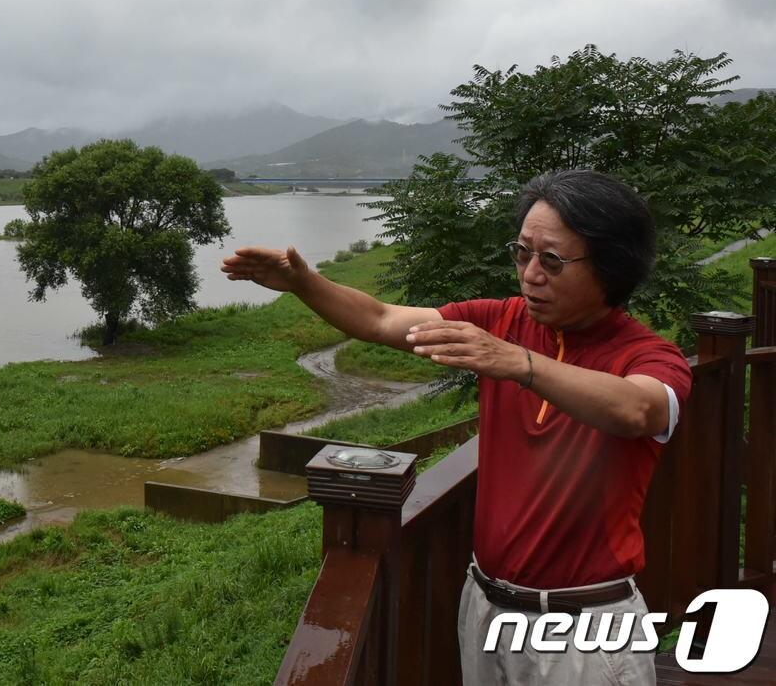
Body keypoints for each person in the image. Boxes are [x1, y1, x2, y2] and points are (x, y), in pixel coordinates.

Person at [221, 169, 690, 685]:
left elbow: (640, 410)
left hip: (585, 626)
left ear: (610, 264)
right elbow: (380, 320)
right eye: (522, 252)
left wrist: (519, 364)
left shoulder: (647, 355)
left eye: (552, 260)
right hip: (487, 606)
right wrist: (303, 283)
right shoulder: (502, 320)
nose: (531, 273)